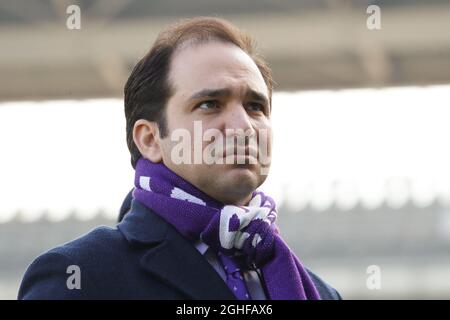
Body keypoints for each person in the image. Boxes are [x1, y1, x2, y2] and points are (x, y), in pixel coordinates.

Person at [18, 17, 341, 300]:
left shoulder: (320, 292)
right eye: (210, 104)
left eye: (255, 107)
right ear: (150, 139)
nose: (243, 126)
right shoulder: (79, 278)